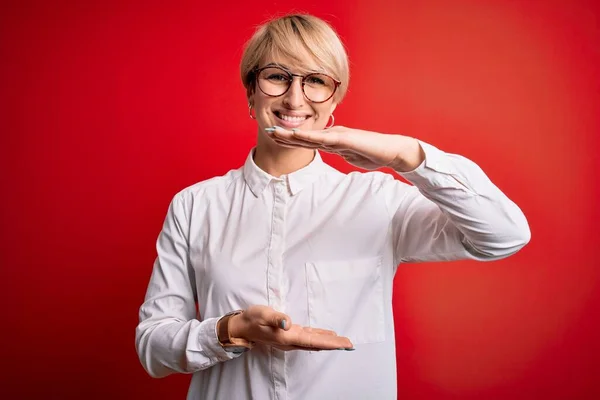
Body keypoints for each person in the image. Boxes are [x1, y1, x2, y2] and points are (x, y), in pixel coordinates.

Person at [135, 13, 530, 400]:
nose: (294, 98)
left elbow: (504, 235)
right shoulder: (194, 205)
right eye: (277, 77)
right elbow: (152, 347)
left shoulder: (378, 200)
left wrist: (406, 154)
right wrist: (233, 329)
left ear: (333, 101)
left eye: (315, 81)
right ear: (251, 93)